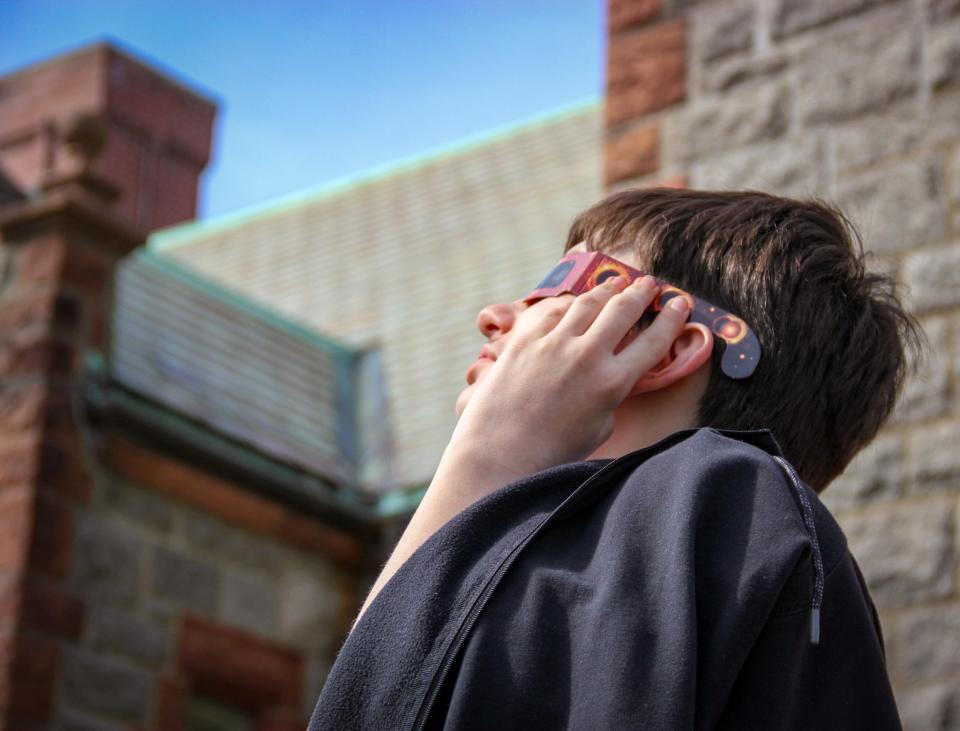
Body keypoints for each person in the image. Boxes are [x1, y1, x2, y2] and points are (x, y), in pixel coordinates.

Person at [309, 189, 921, 730]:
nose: (497, 317)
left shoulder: (719, 495)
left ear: (670, 344)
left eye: (565, 288)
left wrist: (488, 456)